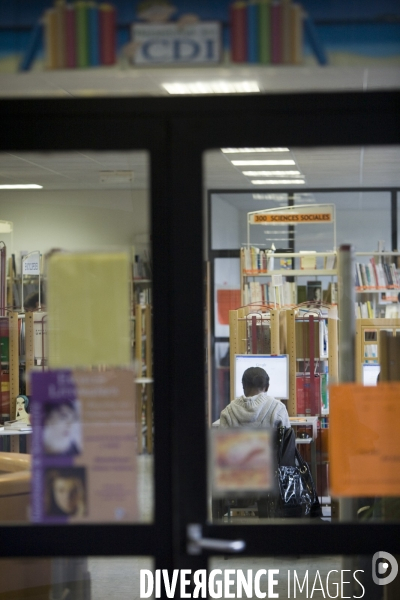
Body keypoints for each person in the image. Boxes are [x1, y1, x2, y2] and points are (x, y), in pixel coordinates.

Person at [219, 367, 290, 429]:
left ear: (243, 386)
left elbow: (221, 442)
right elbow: (287, 441)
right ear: (267, 387)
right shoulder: (278, 408)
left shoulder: (228, 411)